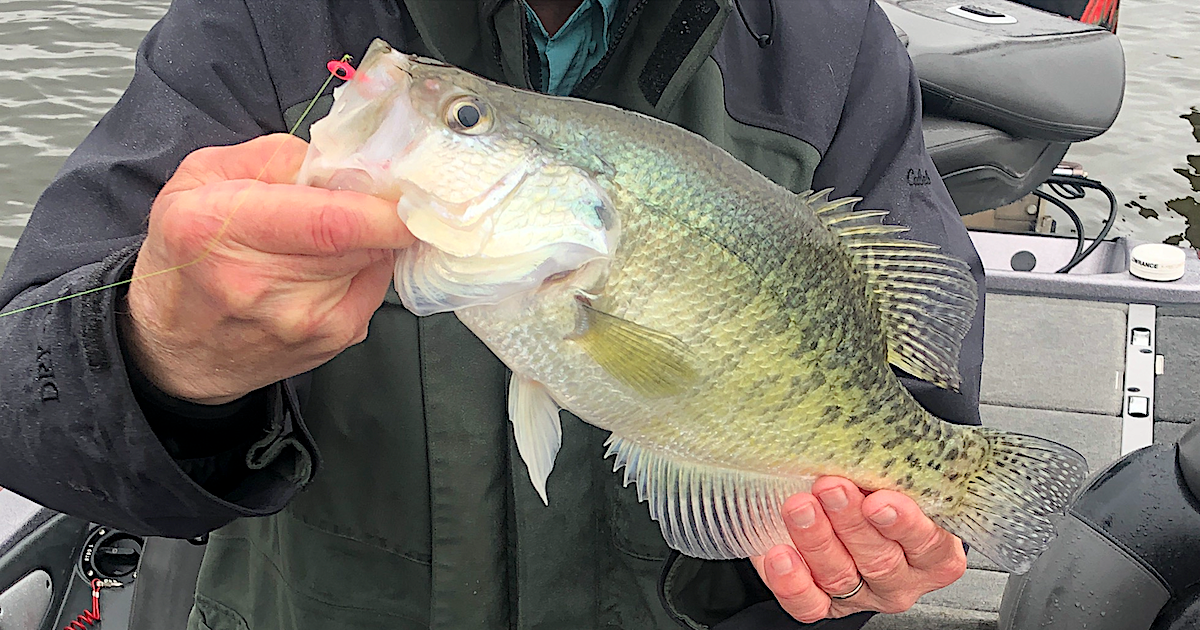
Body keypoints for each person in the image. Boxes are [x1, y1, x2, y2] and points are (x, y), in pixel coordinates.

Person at [0, 0, 985, 628]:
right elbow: (21, 409)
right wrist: (160, 354)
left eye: (464, 119)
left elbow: (915, 412)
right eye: (462, 119)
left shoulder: (832, 36)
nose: (432, 117)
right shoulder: (261, 23)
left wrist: (865, 559)